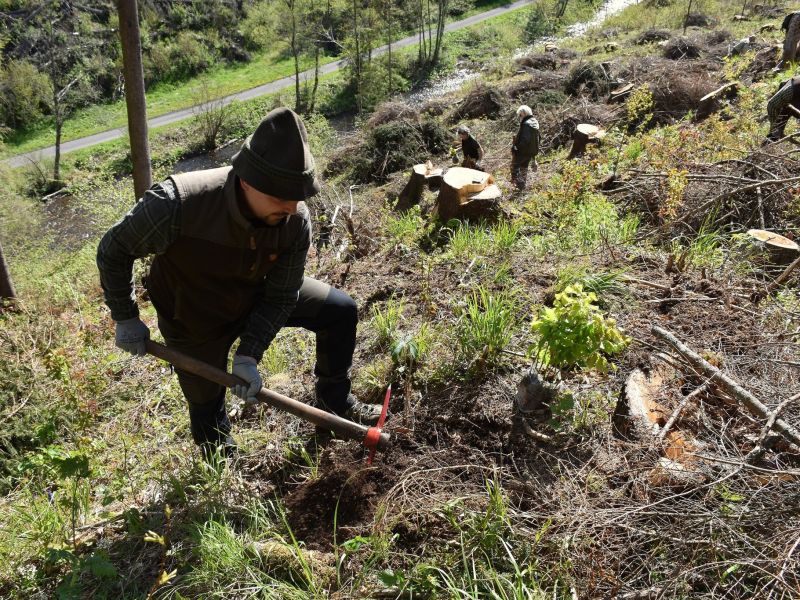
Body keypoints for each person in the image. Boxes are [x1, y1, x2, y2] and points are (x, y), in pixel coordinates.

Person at [97, 107, 383, 459]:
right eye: (281, 197)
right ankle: (220, 456)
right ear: (247, 180)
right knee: (204, 400)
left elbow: (281, 296)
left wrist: (249, 353)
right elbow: (114, 250)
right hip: (192, 314)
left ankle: (335, 401)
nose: (292, 208)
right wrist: (125, 315)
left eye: (297, 197)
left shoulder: (294, 219)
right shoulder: (176, 204)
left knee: (339, 310)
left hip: (253, 294)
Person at [510, 105, 540, 191]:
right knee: (524, 168)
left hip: (522, 151)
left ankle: (519, 186)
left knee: (514, 167)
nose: (519, 117)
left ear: (524, 113)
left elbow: (525, 140)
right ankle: (522, 187)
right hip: (530, 151)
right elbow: (538, 138)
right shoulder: (534, 122)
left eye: (520, 115)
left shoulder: (526, 124)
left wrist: (516, 148)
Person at [765, 77, 800, 143]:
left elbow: (772, 105)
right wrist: (775, 129)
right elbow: (772, 106)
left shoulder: (790, 90)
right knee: (775, 133)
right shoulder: (789, 92)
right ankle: (772, 139)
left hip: (793, 97)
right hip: (791, 98)